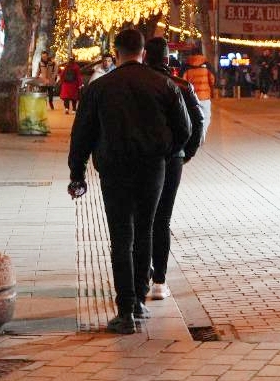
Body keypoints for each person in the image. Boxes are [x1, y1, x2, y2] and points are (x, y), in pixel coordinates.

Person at [67, 29, 192, 335]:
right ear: (142, 52)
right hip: (153, 168)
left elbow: (81, 133)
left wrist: (77, 173)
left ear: (117, 51)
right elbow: (185, 129)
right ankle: (138, 300)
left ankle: (125, 312)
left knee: (121, 237)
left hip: (114, 170)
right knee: (146, 230)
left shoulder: (99, 88)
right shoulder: (163, 84)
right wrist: (167, 150)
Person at [143, 37, 204, 301]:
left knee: (141, 217)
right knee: (162, 218)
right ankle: (159, 281)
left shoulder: (137, 82)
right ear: (167, 59)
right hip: (172, 159)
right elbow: (197, 123)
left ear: (145, 57)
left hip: (142, 158)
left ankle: (143, 272)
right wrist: (185, 153)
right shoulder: (181, 85)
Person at [183, 53, 215, 141]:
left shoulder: (187, 67)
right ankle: (202, 134)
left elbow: (183, 82)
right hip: (204, 97)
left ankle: (196, 136)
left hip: (192, 98)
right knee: (207, 117)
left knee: (194, 117)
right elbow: (212, 80)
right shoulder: (207, 66)